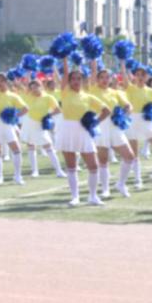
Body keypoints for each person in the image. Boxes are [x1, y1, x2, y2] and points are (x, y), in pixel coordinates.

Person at [55, 62, 109, 206]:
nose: (76, 81)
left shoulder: (88, 97)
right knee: (71, 166)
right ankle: (75, 197)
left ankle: (93, 196)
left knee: (94, 166)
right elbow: (65, 73)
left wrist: (95, 122)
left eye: (79, 79)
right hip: (67, 129)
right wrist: (65, 58)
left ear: (83, 81)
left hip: (84, 131)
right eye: (73, 79)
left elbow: (106, 110)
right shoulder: (65, 92)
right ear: (69, 81)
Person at [90, 66, 135, 198]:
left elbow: (128, 105)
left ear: (111, 79)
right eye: (101, 77)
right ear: (97, 79)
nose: (104, 80)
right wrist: (93, 61)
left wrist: (126, 111)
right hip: (100, 124)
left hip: (114, 125)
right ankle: (105, 189)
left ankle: (121, 183)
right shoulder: (92, 90)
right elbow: (92, 72)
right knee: (103, 159)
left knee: (129, 156)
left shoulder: (115, 92)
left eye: (107, 77)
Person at [0, 67, 29, 185]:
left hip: (7, 123)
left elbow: (25, 108)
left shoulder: (13, 96)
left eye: (1, 81)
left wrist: (14, 116)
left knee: (16, 149)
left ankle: (17, 176)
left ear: (6, 82)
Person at [123, 65, 152, 188]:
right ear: (134, 76)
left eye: (143, 75)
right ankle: (137, 180)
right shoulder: (130, 88)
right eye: (138, 74)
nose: (140, 77)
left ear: (147, 76)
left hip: (146, 120)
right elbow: (124, 77)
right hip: (132, 119)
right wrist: (123, 63)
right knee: (134, 152)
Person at [20, 78, 66, 179]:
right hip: (29, 122)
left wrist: (48, 116)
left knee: (48, 146)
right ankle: (35, 171)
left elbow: (58, 110)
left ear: (41, 86)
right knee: (31, 146)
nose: (34, 89)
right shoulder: (28, 96)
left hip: (40, 124)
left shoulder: (48, 97)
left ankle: (59, 171)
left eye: (36, 87)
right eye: (32, 88)